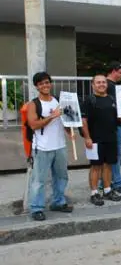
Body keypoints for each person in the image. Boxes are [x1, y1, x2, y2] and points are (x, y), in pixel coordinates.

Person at [27, 72, 74, 221]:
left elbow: (65, 120)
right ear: (37, 86)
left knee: (61, 177)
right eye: (41, 84)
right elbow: (33, 124)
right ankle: (36, 208)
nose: (45, 85)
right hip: (42, 148)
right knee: (38, 180)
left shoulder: (58, 101)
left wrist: (69, 131)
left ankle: (58, 202)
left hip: (60, 146)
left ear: (50, 83)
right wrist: (52, 116)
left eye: (47, 82)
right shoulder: (33, 104)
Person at [81, 74, 121, 206]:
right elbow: (84, 120)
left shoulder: (112, 99)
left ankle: (107, 190)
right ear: (93, 85)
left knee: (108, 165)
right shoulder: (89, 100)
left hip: (111, 138)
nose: (101, 84)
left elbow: (116, 118)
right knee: (95, 167)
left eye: (103, 82)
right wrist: (87, 137)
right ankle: (94, 193)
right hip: (95, 139)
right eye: (98, 82)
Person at [105, 61, 121, 194]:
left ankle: (109, 181)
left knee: (112, 155)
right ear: (113, 71)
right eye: (120, 72)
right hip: (114, 125)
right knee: (114, 155)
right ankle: (116, 182)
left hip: (114, 124)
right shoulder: (110, 86)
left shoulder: (111, 86)